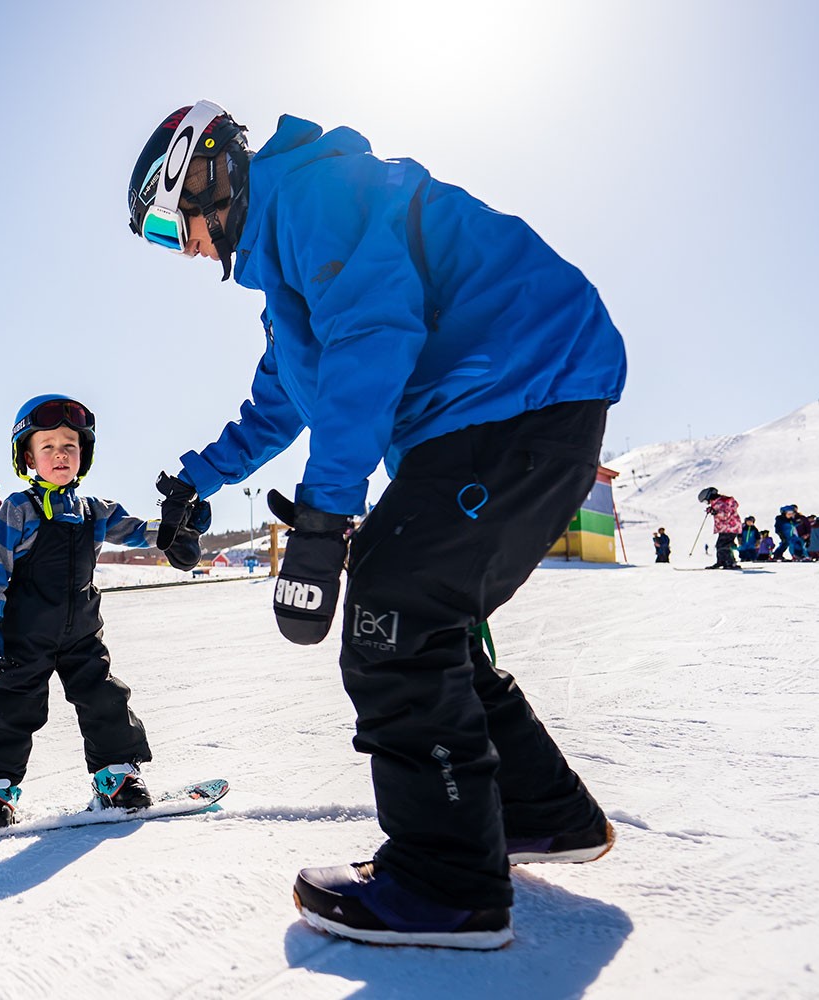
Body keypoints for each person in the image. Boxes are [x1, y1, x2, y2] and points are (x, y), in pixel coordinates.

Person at [127, 101, 626, 949]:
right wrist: (194, 482)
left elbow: (371, 334)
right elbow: (280, 399)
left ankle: (445, 885)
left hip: (517, 395)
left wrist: (326, 516)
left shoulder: (316, 197)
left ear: (207, 180)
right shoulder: (289, 261)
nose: (190, 254)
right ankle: (541, 813)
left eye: (176, 234)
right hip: (509, 407)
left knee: (391, 612)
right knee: (428, 621)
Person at [0, 394, 210, 829]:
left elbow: (139, 531)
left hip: (81, 633)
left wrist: (177, 530)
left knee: (104, 698)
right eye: (48, 446)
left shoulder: (94, 511)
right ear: (28, 458)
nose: (60, 455)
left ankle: (115, 776)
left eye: (70, 446)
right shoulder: (17, 509)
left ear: (84, 455)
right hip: (26, 635)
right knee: (15, 706)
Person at [699, 487, 741, 570]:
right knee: (720, 545)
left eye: (705, 501)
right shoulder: (718, 502)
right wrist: (712, 510)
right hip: (727, 528)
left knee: (724, 545)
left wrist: (714, 512)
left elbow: (725, 515)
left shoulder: (722, 502)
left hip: (730, 527)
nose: (707, 503)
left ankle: (730, 562)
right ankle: (722, 561)